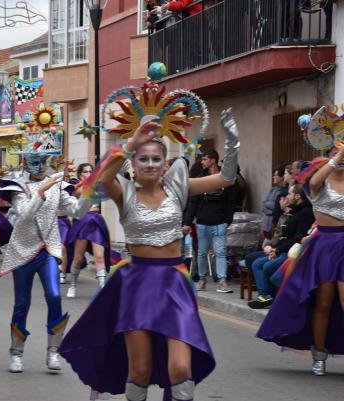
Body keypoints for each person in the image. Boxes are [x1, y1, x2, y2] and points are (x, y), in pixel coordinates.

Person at [60, 82, 240, 401]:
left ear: (165, 164)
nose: (151, 165)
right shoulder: (124, 193)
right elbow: (102, 178)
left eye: (157, 159)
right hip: (137, 283)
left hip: (174, 282)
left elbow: (225, 179)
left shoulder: (178, 189)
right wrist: (133, 142)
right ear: (134, 164)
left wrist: (233, 142)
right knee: (139, 370)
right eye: (144, 159)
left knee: (181, 368)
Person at [257, 110, 344, 376]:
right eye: (334, 153)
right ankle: (319, 353)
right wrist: (337, 157)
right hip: (323, 247)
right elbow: (315, 181)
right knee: (323, 302)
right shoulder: (315, 180)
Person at [0, 130, 91, 374]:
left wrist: (92, 192)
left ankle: (53, 352)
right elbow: (26, 214)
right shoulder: (16, 186)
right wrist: (42, 190)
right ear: (25, 161)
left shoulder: (58, 186)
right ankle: (16, 353)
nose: (39, 166)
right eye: (34, 160)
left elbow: (78, 211)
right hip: (22, 251)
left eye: (43, 160)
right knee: (22, 303)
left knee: (53, 295)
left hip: (48, 250)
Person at [248, 184, 314, 309]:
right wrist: (274, 249)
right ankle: (266, 296)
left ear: (298, 196)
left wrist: (277, 250)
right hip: (283, 249)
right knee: (255, 262)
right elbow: (281, 232)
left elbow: (298, 237)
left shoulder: (306, 212)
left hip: (294, 252)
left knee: (267, 267)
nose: (287, 197)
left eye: (289, 194)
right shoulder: (294, 210)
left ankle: (271, 296)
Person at [185, 149, 237, 293]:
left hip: (220, 222)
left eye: (205, 159)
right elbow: (193, 202)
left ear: (213, 160)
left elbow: (231, 201)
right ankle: (202, 280)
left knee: (220, 252)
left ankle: (222, 281)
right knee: (201, 253)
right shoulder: (201, 179)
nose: (202, 162)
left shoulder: (226, 178)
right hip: (202, 223)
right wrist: (187, 222)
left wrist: (228, 220)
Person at [66, 163, 112, 298]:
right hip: (82, 221)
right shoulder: (78, 188)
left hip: (96, 220)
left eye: (91, 171)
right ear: (80, 174)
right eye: (86, 171)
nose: (89, 173)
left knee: (99, 256)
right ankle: (73, 285)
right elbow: (76, 195)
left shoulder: (98, 185)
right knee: (78, 258)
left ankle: (103, 288)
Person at [261, 165, 286, 239]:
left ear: (282, 177)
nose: (273, 177)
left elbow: (277, 208)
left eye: (275, 175)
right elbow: (263, 205)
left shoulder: (284, 192)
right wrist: (273, 211)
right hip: (266, 225)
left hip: (275, 226)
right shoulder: (272, 189)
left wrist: (271, 207)